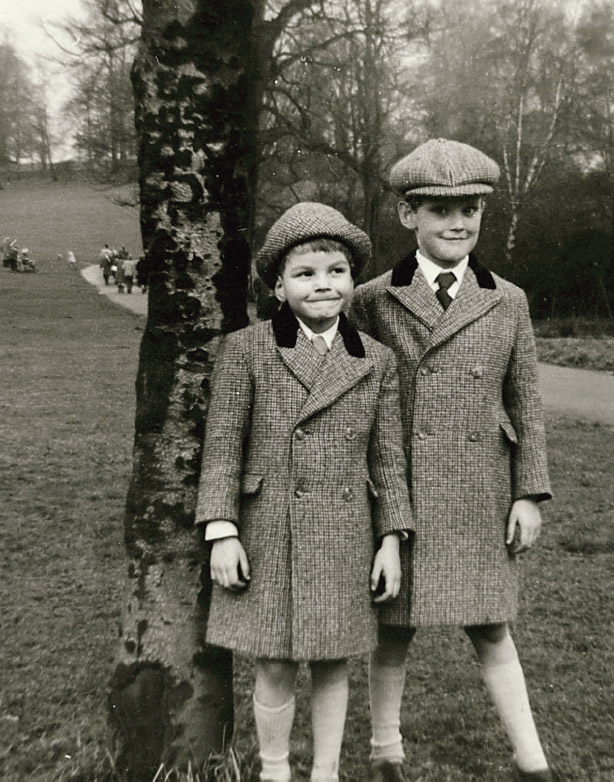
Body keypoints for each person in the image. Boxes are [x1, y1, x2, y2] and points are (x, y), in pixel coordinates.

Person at [348, 138, 554, 781]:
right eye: (440, 210)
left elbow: (527, 402)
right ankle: (386, 751)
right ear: (410, 215)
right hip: (403, 489)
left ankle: (533, 760)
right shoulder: (374, 300)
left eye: (470, 208)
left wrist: (528, 493)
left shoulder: (507, 299)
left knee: (491, 626)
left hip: (482, 488)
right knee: (394, 628)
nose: (458, 222)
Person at [195, 201, 414, 782]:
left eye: (336, 271)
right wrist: (222, 530)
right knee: (272, 660)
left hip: (345, 531)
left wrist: (392, 539)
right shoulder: (247, 349)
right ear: (278, 286)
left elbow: (388, 458)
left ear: (352, 279)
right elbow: (222, 447)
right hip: (268, 528)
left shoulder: (376, 360)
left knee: (334, 660)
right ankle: (273, 771)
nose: (323, 285)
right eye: (306, 273)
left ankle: (325, 771)